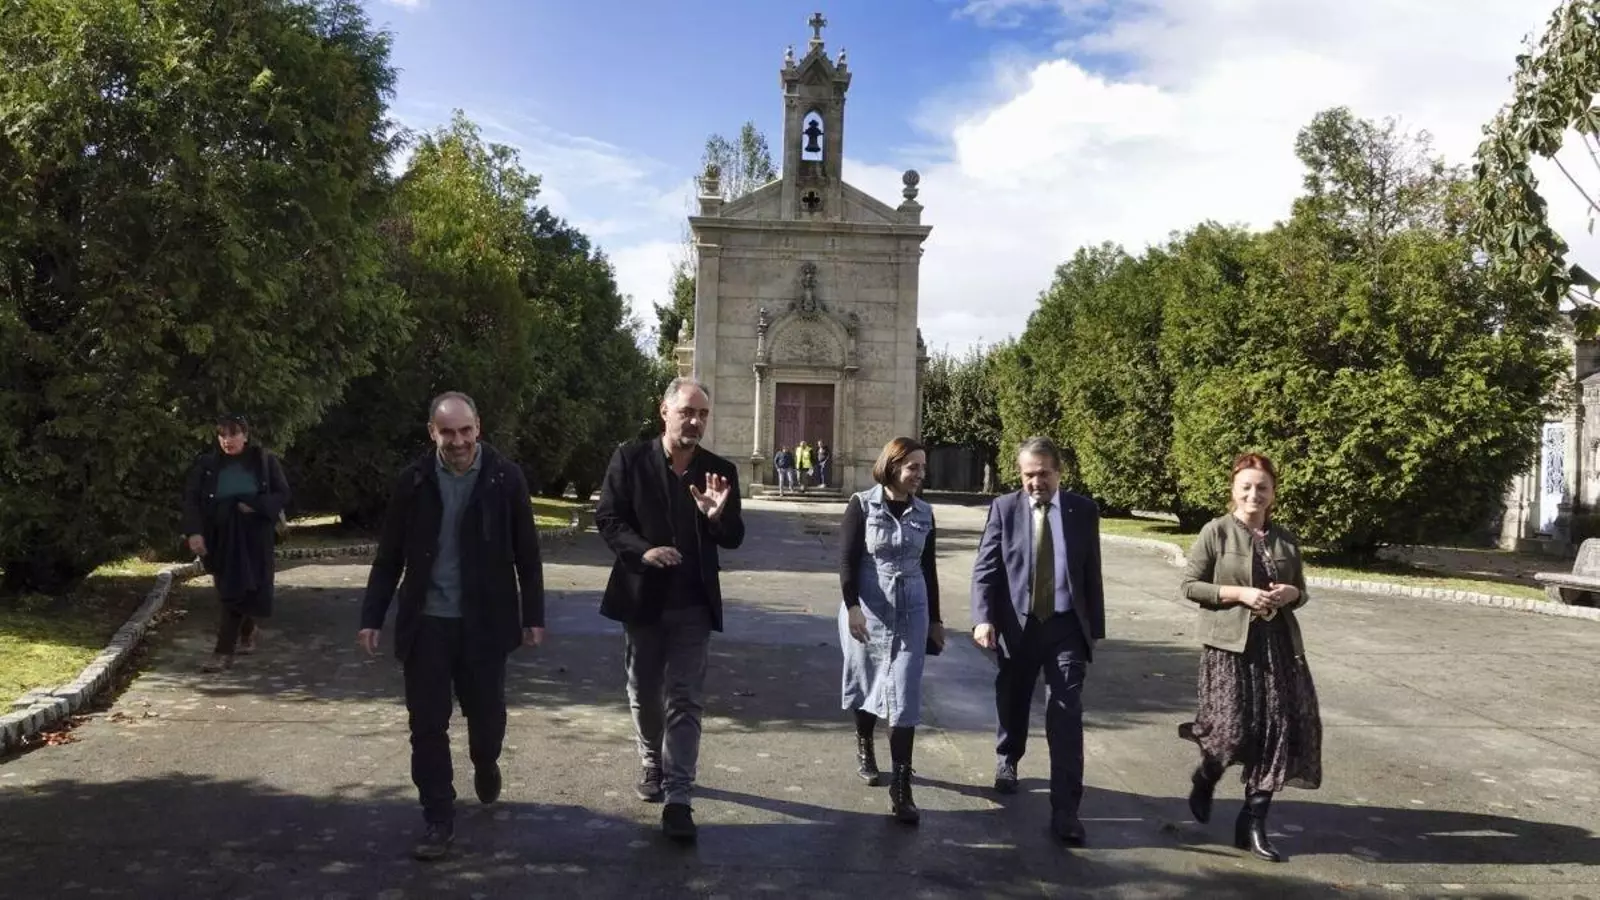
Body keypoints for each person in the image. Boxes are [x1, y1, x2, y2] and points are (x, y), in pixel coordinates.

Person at [357, 392, 546, 862]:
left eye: (465, 431)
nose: (458, 441)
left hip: (485, 624)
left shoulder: (505, 477)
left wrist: (533, 616)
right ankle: (437, 817)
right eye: (448, 432)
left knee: (487, 718)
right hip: (427, 624)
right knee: (426, 725)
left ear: (478, 427)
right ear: (432, 433)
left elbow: (527, 553)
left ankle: (486, 760)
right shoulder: (414, 481)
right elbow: (389, 556)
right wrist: (371, 617)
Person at [595, 377, 744, 843]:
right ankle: (650, 758)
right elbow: (609, 518)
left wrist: (716, 516)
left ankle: (679, 798)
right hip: (642, 599)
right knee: (644, 691)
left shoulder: (719, 471)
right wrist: (643, 551)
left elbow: (734, 536)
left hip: (693, 603)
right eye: (687, 412)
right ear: (665, 411)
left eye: (702, 415)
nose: (695, 421)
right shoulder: (630, 459)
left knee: (685, 699)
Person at [1177, 452, 1321, 863]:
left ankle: (1253, 822)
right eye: (1246, 487)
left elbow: (1300, 590)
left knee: (1275, 733)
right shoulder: (1216, 531)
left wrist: (1292, 593)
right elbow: (1190, 585)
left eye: (1262, 487)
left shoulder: (1285, 538)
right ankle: (1206, 777)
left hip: (1278, 649)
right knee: (1230, 731)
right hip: (1229, 650)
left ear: (1273, 492)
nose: (1254, 494)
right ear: (1234, 489)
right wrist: (1238, 593)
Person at [969, 435, 1105, 846]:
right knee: (1013, 696)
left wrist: (1093, 630)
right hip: (1018, 625)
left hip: (1065, 626)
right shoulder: (1005, 509)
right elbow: (986, 567)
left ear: (1059, 472)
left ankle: (1066, 811)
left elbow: (1090, 571)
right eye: (1028, 474)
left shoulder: (1083, 511)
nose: (1035, 482)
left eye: (1043, 473)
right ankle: (1008, 756)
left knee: (1065, 713)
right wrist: (983, 618)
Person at [838, 437, 944, 824]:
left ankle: (901, 786)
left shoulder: (925, 512)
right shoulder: (862, 504)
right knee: (868, 682)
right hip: (868, 609)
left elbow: (929, 568)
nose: (919, 474)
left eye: (923, 468)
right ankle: (865, 742)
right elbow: (847, 561)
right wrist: (852, 607)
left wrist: (936, 620)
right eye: (913, 467)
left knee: (905, 693)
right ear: (893, 465)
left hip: (912, 611)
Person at [182, 414, 292, 674]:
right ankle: (248, 628)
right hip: (220, 535)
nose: (227, 440)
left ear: (245, 435)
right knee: (230, 588)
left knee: (235, 590)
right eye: (222, 435)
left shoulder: (263, 461)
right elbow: (192, 499)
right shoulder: (208, 465)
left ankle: (222, 652)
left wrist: (256, 505)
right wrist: (194, 532)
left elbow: (282, 493)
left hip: (253, 537)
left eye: (233, 434)